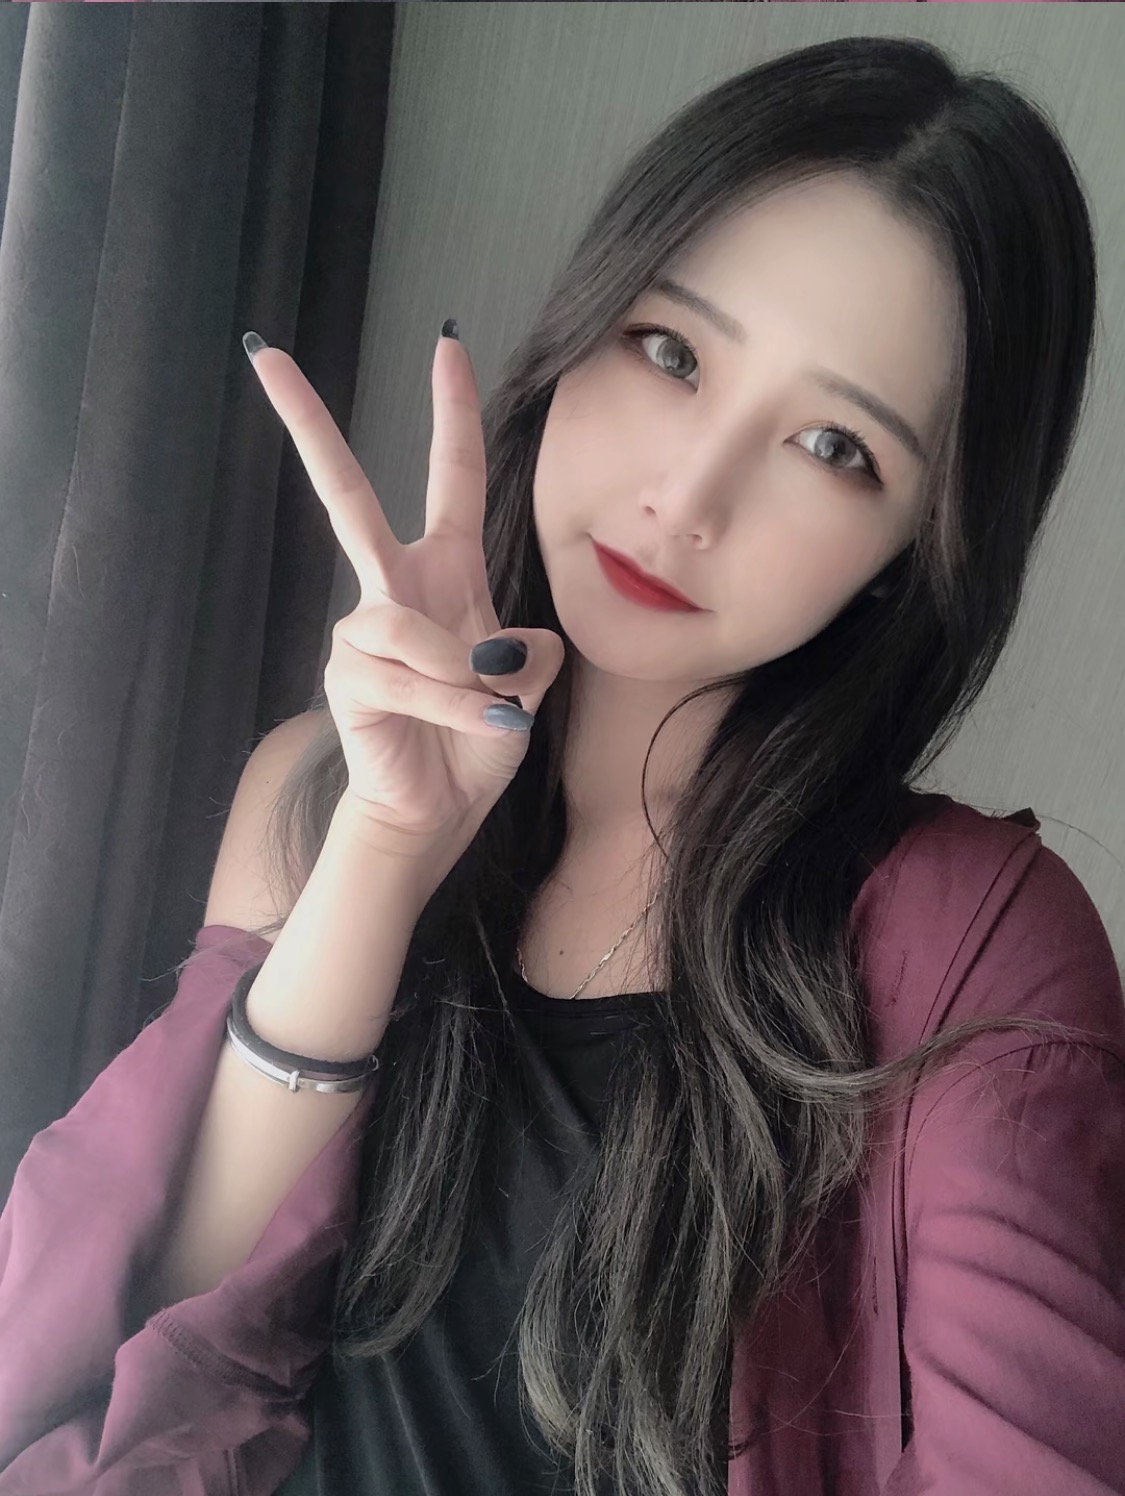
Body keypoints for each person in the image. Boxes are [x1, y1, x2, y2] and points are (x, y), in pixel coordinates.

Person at [2, 33, 1124, 1496]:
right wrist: (384, 853)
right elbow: (170, 1342)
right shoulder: (313, 790)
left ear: (916, 548)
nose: (688, 496)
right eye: (672, 353)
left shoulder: (971, 942)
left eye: (834, 446)